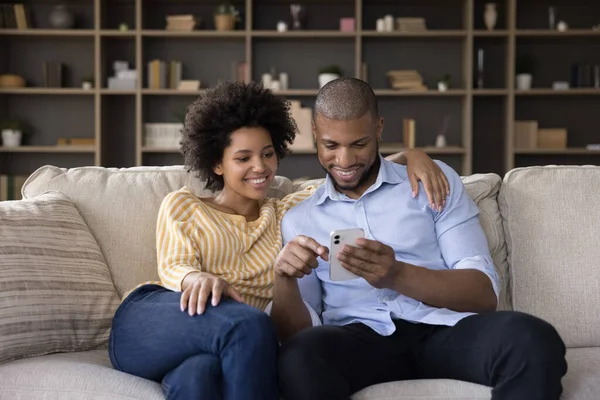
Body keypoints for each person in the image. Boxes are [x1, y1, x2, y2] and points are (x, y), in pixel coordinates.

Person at [107, 80, 450, 400]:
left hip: (231, 345)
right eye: (243, 158)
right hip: (160, 319)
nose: (260, 167)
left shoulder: (288, 212)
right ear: (217, 163)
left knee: (200, 378)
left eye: (267, 154)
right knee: (251, 323)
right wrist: (196, 278)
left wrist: (412, 156)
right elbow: (174, 265)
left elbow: (352, 172)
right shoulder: (185, 204)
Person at [271, 77, 568, 400]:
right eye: (331, 146)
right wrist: (283, 279)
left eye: (359, 144)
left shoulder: (432, 183)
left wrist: (397, 275)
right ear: (315, 133)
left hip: (442, 330)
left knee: (532, 338)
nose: (344, 161)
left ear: (379, 129)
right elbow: (298, 333)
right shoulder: (301, 219)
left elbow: (483, 294)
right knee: (299, 357)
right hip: (359, 340)